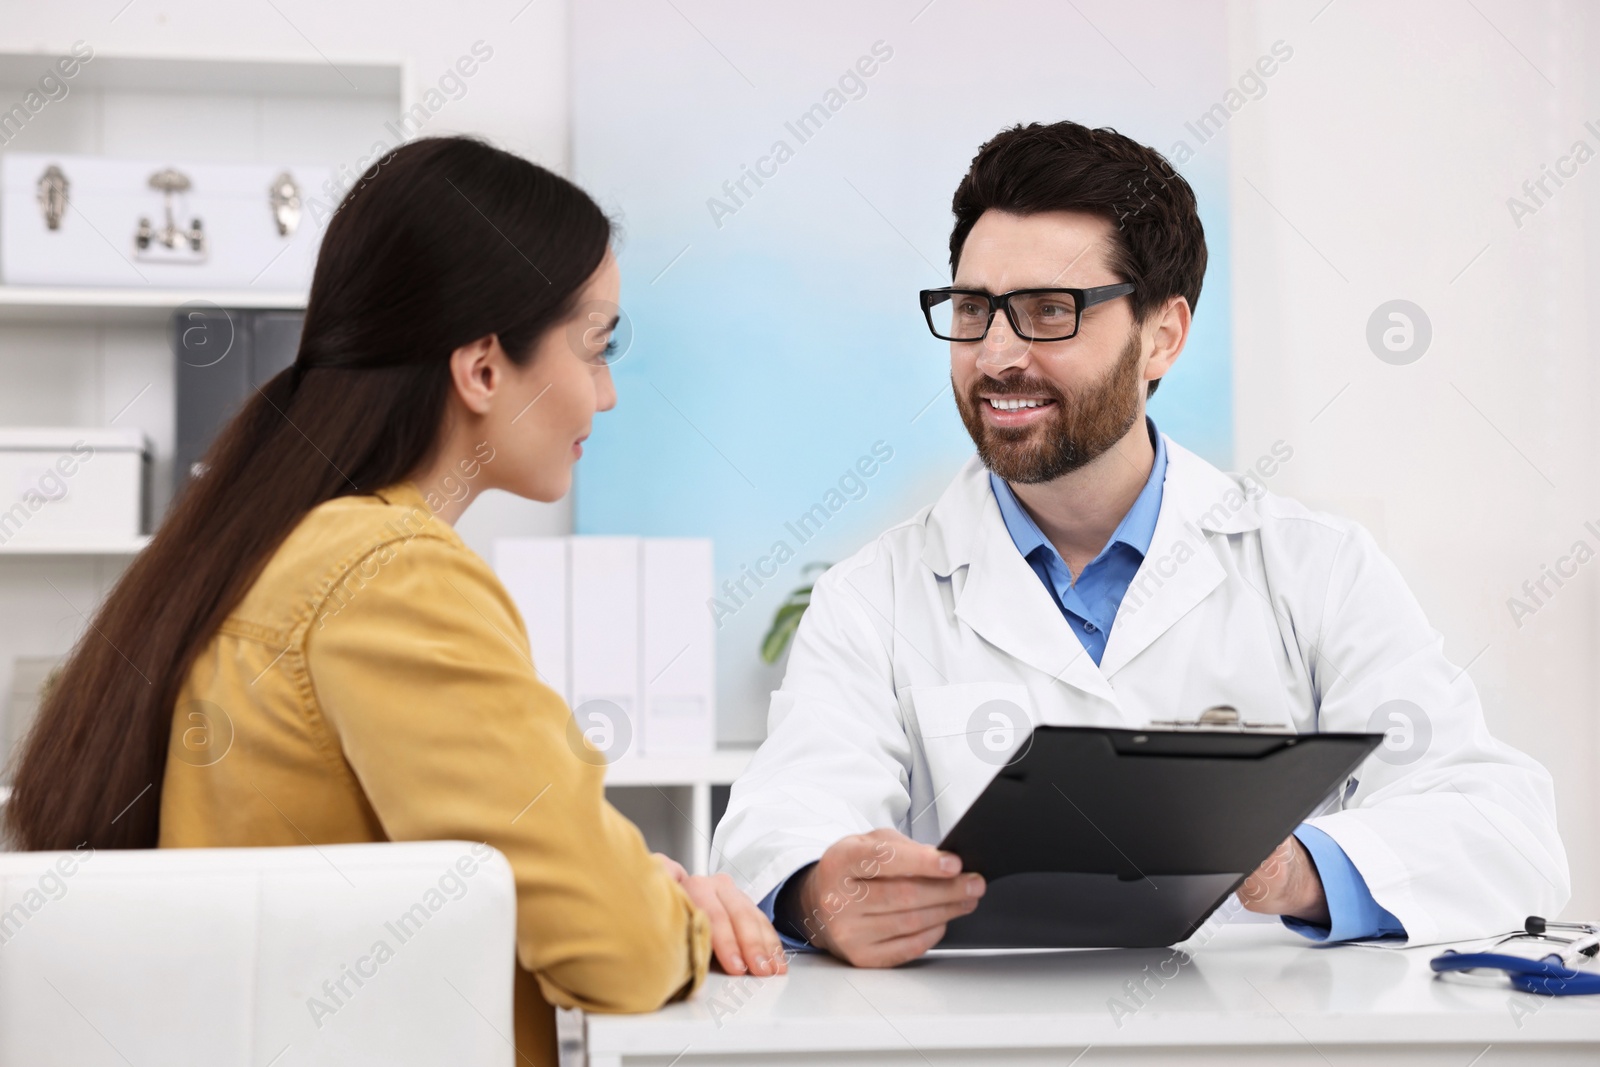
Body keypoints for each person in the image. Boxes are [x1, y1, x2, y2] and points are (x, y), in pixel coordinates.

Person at [711, 120, 1569, 967]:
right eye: (973, 310)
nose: (997, 354)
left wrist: (1290, 868)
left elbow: (1502, 824)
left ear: (1164, 335)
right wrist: (822, 894)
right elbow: (781, 822)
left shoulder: (1314, 567)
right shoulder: (877, 596)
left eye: (1049, 311)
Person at [6, 136, 782, 1064]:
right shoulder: (394, 572)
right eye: (596, 348)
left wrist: (623, 882)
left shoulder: (276, 542)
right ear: (484, 368)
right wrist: (666, 909)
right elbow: (614, 948)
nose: (606, 395)